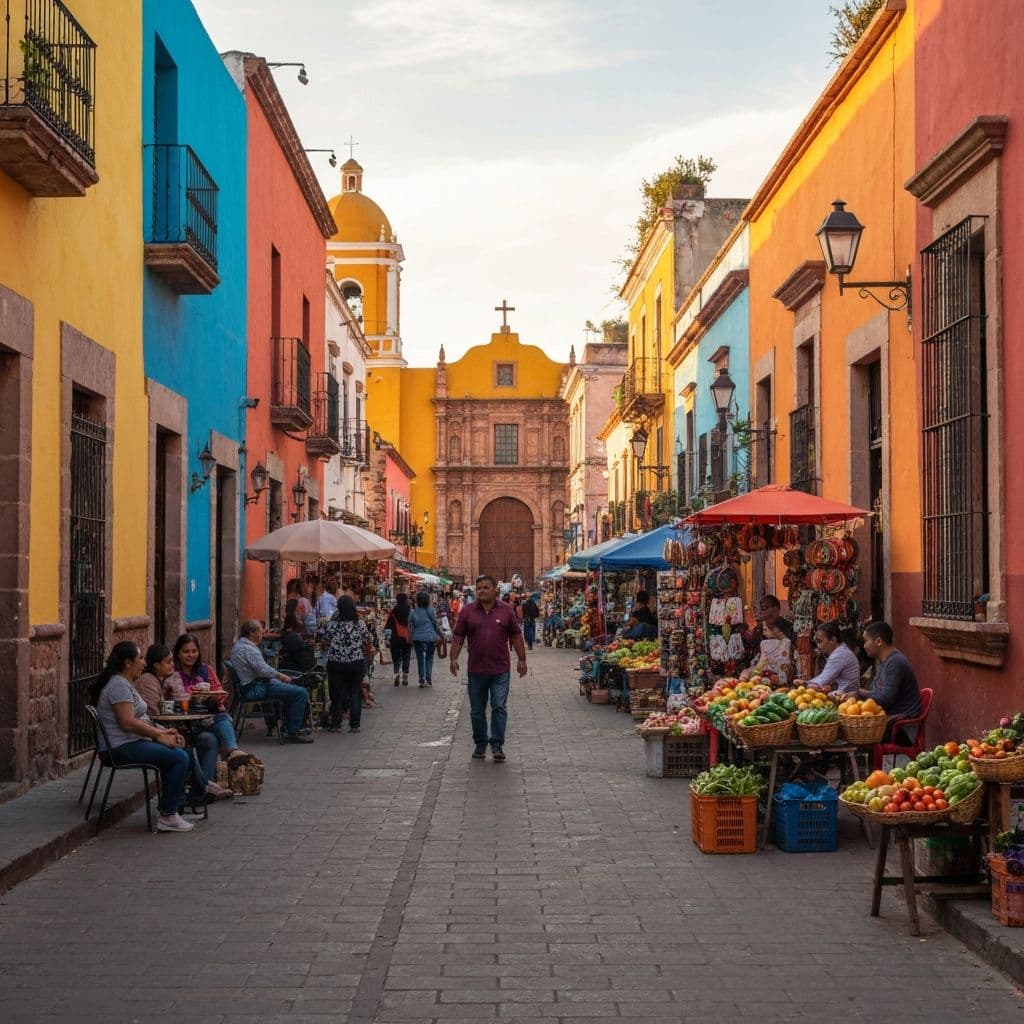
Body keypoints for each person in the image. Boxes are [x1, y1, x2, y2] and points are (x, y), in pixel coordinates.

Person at [88, 641, 195, 833]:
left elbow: (138, 720)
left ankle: (176, 806)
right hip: (121, 748)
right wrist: (158, 735)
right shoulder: (118, 686)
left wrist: (162, 732)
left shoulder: (123, 683)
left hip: (131, 742)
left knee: (178, 750)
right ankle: (169, 814)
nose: (144, 663)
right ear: (128, 663)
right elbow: (128, 722)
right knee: (179, 758)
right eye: (140, 658)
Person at [136, 644, 235, 800]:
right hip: (155, 732)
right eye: (168, 662)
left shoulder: (197, 671)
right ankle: (204, 786)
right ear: (156, 665)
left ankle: (200, 793)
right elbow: (155, 714)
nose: (172, 665)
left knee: (209, 739)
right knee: (194, 740)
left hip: (171, 727)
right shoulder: (148, 681)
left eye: (194, 651)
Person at [450, 573, 528, 763]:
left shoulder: (506, 611)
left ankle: (497, 744)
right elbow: (459, 636)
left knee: (499, 707)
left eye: (486, 587)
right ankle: (480, 743)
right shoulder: (467, 611)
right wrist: (453, 658)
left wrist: (522, 659)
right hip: (476, 669)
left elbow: (516, 636)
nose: (482, 591)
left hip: (500, 669)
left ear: (496, 590)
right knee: (477, 709)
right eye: (479, 588)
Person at [169, 633, 252, 769]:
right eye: (186, 652)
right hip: (183, 722)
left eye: (194, 651)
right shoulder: (173, 673)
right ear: (177, 653)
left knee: (217, 727)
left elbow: (219, 693)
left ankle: (229, 755)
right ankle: (231, 751)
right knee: (221, 723)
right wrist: (193, 692)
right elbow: (173, 696)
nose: (191, 655)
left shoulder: (205, 670)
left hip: (207, 718)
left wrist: (212, 695)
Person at [229, 620, 313, 743]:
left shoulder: (238, 646)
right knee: (300, 692)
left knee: (290, 689)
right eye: (260, 631)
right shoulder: (249, 650)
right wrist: (281, 676)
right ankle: (292, 732)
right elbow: (263, 670)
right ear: (254, 632)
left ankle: (287, 727)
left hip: (254, 683)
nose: (262, 634)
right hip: (256, 687)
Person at [854, 621, 922, 739]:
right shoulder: (886, 662)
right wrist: (861, 693)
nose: (864, 646)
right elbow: (877, 692)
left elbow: (885, 699)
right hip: (889, 721)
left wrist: (859, 695)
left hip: (901, 728)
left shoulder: (895, 663)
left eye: (866, 641)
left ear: (879, 641)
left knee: (855, 731)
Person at [321, 596, 374, 732]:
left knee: (336, 693)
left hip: (336, 664)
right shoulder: (360, 624)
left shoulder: (332, 625)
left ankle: (336, 724)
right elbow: (369, 638)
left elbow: (323, 639)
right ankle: (355, 725)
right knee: (355, 692)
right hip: (356, 663)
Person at [799, 621, 862, 696]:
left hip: (847, 698)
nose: (819, 647)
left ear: (833, 640)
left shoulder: (840, 654)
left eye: (820, 642)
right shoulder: (841, 651)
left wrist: (803, 685)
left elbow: (823, 679)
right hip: (845, 695)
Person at [409, 591, 439, 688]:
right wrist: (439, 634)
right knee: (429, 658)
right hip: (431, 637)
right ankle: (428, 679)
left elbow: (410, 626)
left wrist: (410, 636)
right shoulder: (431, 610)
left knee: (420, 659)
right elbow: (435, 623)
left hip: (418, 638)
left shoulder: (413, 612)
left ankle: (422, 679)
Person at [279, 599, 318, 673]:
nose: (301, 613)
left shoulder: (290, 635)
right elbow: (307, 662)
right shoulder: (292, 637)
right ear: (292, 615)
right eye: (297, 611)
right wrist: (310, 648)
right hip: (295, 674)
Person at [386, 593, 413, 686]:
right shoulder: (410, 610)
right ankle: (405, 677)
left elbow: (388, 626)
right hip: (407, 637)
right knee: (406, 656)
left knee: (396, 658)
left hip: (395, 638)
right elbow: (413, 623)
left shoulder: (394, 610)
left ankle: (397, 675)